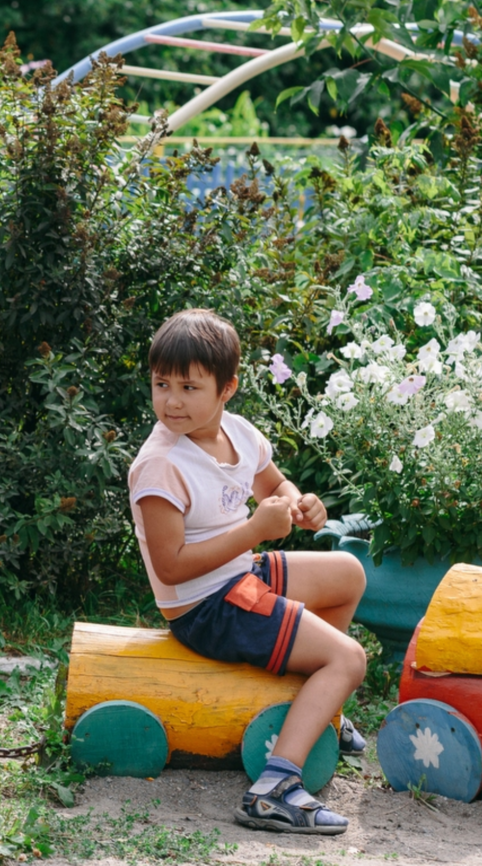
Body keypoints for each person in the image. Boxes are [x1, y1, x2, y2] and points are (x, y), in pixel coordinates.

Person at [130, 309, 368, 835]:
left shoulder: (237, 433)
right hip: (204, 607)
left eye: (188, 387)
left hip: (240, 572)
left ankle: (319, 708)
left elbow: (274, 488)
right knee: (349, 659)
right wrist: (254, 531)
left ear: (227, 389)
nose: (171, 400)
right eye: (160, 384)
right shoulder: (160, 465)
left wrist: (301, 504)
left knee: (348, 573)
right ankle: (274, 790)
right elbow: (170, 568)